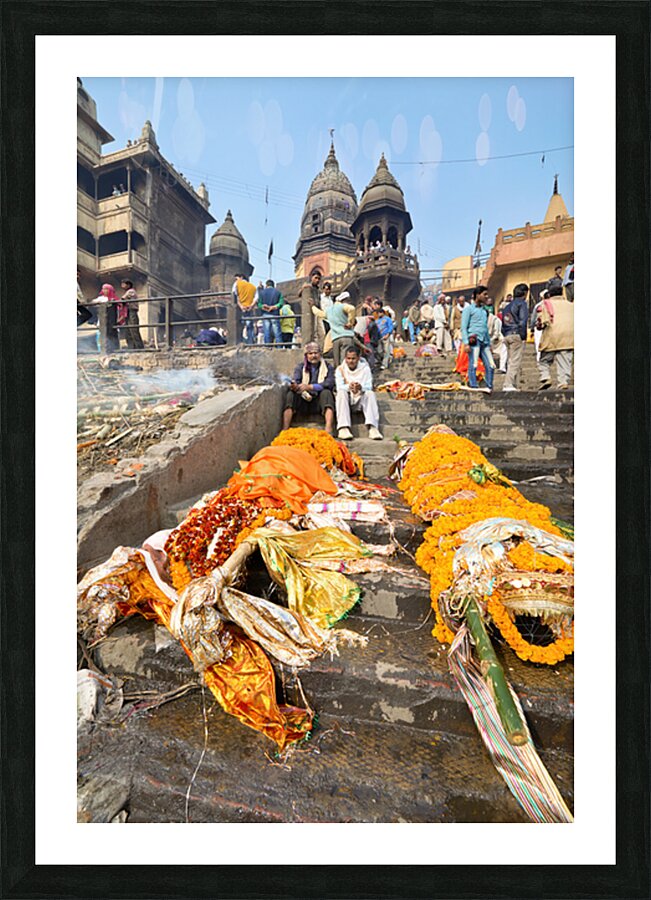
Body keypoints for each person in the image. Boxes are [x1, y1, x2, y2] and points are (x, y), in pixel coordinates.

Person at [282, 342, 335, 434]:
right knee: (290, 395)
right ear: (306, 355)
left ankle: (329, 428)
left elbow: (329, 383)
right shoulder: (300, 367)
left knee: (327, 393)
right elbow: (297, 381)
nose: (313, 356)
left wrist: (310, 387)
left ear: (320, 354)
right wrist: (295, 386)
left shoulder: (328, 367)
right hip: (304, 400)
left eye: (316, 353)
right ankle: (285, 429)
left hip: (319, 401)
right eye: (310, 353)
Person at [334, 346, 382, 441]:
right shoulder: (340, 369)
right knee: (341, 393)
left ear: (358, 358)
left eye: (353, 358)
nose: (351, 361)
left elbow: (368, 386)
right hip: (347, 400)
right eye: (348, 358)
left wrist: (360, 387)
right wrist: (349, 387)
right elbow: (339, 386)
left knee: (370, 393)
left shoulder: (365, 369)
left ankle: (373, 427)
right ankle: (343, 428)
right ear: (345, 358)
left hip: (360, 400)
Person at [536, 283, 573, 390]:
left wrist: (538, 327)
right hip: (569, 337)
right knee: (565, 361)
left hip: (551, 335)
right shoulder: (571, 305)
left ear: (550, 294)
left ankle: (545, 377)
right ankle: (563, 382)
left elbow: (541, 321)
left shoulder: (545, 304)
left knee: (544, 360)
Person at [461, 284, 494, 391]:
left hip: (484, 341)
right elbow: (463, 327)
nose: (486, 297)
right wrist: (466, 343)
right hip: (474, 340)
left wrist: (489, 344)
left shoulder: (485, 311)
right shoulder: (468, 309)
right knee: (473, 364)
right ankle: (473, 385)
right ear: (477, 295)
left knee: (490, 365)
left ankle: (489, 386)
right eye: (484, 294)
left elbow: (485, 328)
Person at [313, 290, 357, 368]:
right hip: (346, 336)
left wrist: (312, 306)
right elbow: (352, 309)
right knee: (346, 362)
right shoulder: (343, 306)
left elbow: (319, 313)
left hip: (335, 339)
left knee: (337, 364)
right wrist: (350, 322)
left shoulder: (329, 310)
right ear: (345, 300)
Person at [501, 282, 529, 391]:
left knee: (511, 361)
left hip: (507, 334)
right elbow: (523, 321)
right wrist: (523, 336)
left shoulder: (507, 306)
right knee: (515, 361)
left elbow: (503, 322)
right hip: (516, 333)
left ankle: (513, 384)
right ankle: (508, 385)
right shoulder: (522, 304)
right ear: (525, 293)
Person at [118, 279, 144, 350]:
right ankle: (131, 348)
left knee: (133, 330)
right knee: (128, 331)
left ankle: (139, 347)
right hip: (128, 312)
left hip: (132, 311)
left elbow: (123, 299)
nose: (122, 286)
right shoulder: (128, 292)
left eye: (124, 284)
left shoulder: (131, 291)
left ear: (128, 285)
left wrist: (117, 301)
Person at [256, 279, 284, 345]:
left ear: (266, 285)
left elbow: (259, 304)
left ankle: (267, 347)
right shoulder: (278, 292)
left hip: (265, 314)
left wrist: (263, 306)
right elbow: (281, 303)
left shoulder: (262, 293)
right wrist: (273, 307)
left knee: (267, 332)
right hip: (275, 314)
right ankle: (279, 348)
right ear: (273, 285)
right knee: (277, 333)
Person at [232, 274, 257, 344]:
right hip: (249, 308)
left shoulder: (237, 284)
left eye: (236, 278)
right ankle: (250, 343)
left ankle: (239, 342)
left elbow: (234, 295)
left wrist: (240, 306)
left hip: (240, 309)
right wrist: (251, 306)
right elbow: (256, 298)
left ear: (241, 277)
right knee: (249, 326)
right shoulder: (253, 287)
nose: (236, 280)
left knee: (239, 325)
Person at [95, 283, 120, 352]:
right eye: (103, 289)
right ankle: (106, 350)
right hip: (103, 319)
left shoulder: (114, 299)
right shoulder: (100, 298)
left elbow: (119, 309)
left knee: (113, 333)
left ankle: (115, 349)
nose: (104, 290)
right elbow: (93, 303)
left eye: (106, 289)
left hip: (112, 320)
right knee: (104, 335)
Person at [300, 272, 322, 342]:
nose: (317, 280)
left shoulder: (318, 289)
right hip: (310, 311)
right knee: (312, 331)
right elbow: (299, 294)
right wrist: (303, 288)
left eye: (319, 278)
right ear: (311, 277)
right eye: (316, 278)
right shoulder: (307, 286)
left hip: (318, 311)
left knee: (319, 332)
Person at [375, 305, 395, 370]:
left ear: (383, 313)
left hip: (386, 336)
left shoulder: (387, 319)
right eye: (377, 313)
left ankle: (384, 364)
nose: (378, 314)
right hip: (379, 337)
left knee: (386, 350)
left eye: (379, 313)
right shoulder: (377, 320)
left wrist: (388, 334)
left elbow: (390, 327)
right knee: (379, 351)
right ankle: (381, 361)